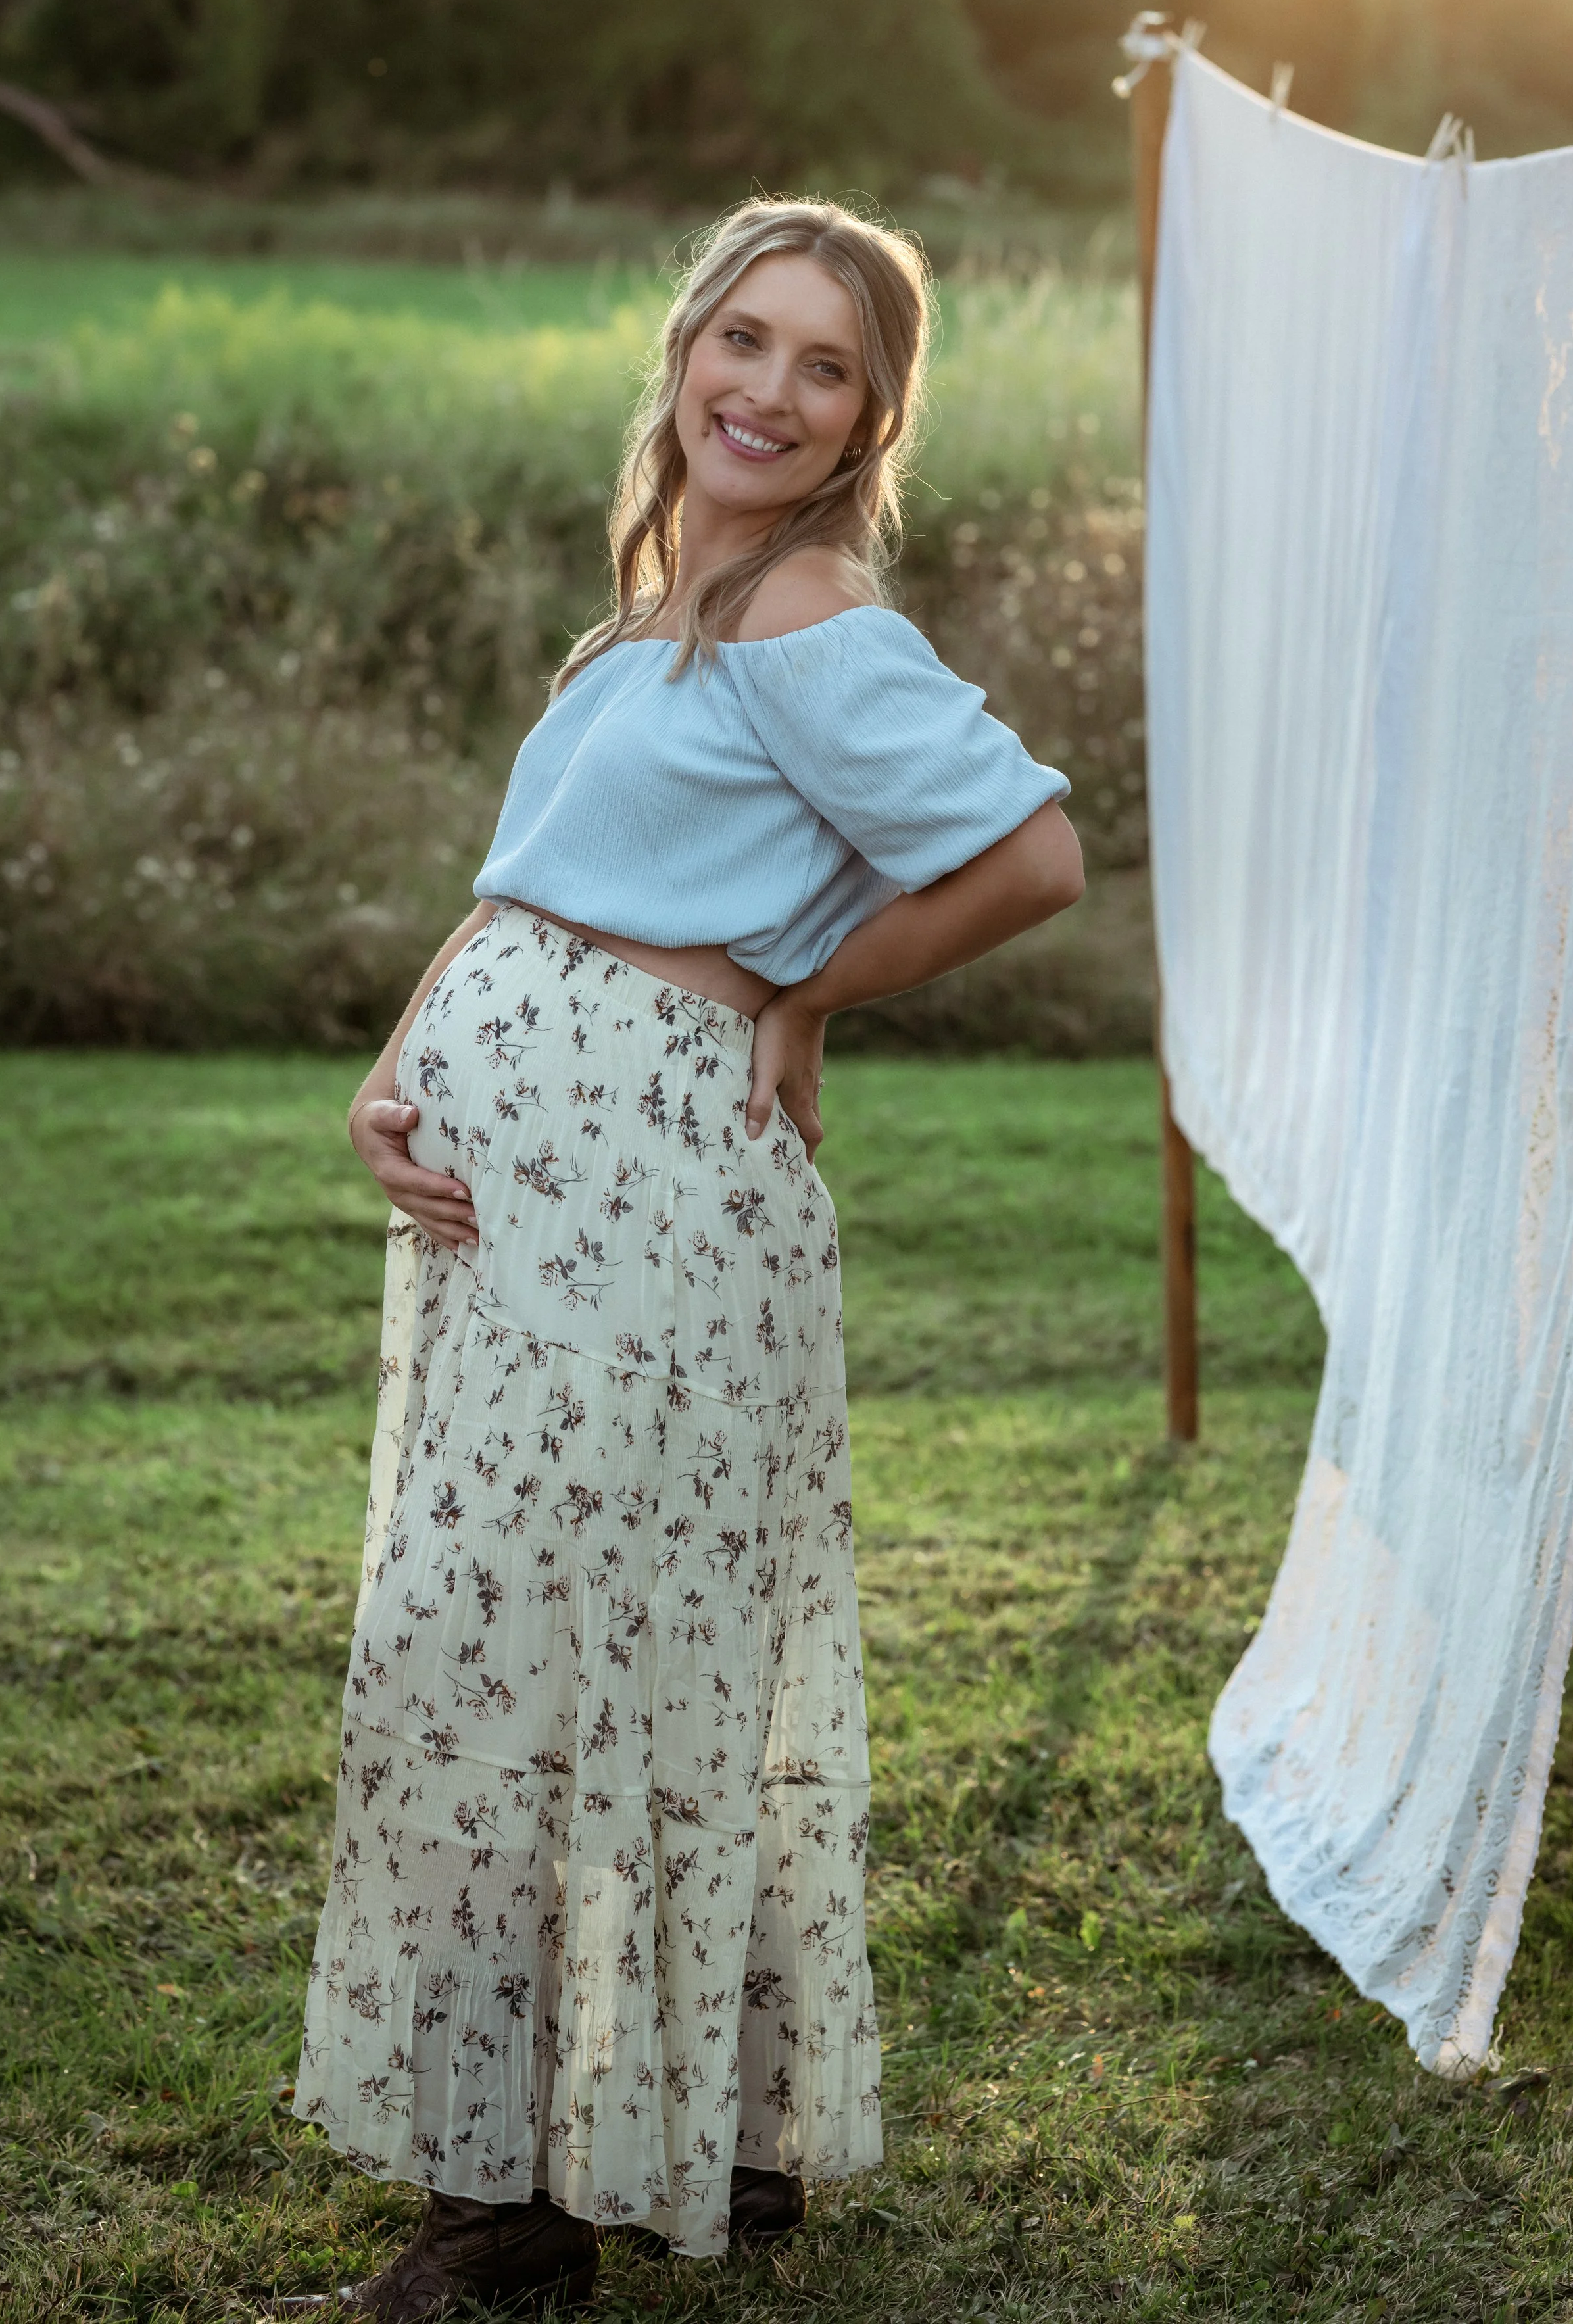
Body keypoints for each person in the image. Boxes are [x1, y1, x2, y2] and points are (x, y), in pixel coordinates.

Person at [279, 197, 1083, 2320]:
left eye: (823, 366)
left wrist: (798, 993)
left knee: (520, 1654)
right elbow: (528, 885)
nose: (767, 389)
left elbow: (1031, 856)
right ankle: (720, 2120)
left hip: (652, 1201)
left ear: (863, 424)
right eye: (743, 338)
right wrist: (393, 1067)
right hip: (515, 1193)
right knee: (579, 1638)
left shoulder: (815, 619)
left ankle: (517, 2207)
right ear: (684, 353)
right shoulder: (663, 612)